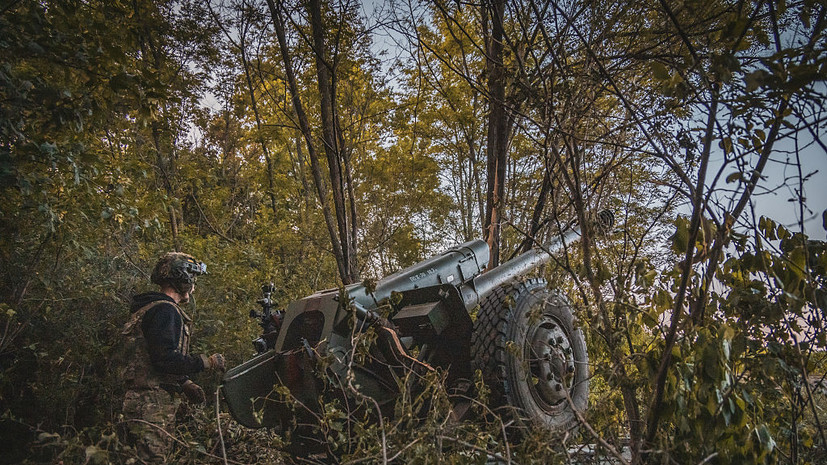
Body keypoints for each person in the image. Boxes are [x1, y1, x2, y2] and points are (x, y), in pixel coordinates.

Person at [120, 252, 225, 463]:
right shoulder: (165, 310)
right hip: (150, 404)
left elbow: (150, 358)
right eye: (192, 280)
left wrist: (184, 382)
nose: (194, 287)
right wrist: (205, 362)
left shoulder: (152, 308)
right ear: (183, 279)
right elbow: (164, 358)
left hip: (141, 401)